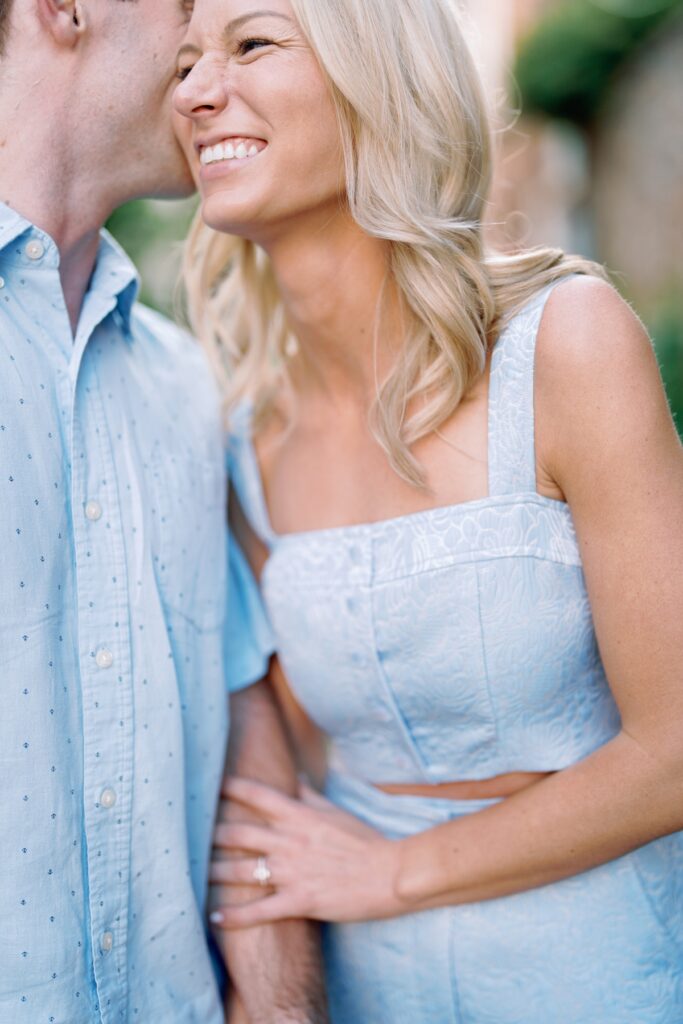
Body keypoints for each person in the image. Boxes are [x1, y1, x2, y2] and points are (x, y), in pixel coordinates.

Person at [174, 0, 683, 1020]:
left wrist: (389, 873)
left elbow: (673, 747)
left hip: (591, 966)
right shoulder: (232, 434)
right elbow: (276, 744)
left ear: (379, 80)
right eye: (182, 63)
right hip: (360, 978)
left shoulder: (564, 346)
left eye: (252, 42)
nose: (193, 91)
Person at [0, 1, 327, 1021]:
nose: (201, 59)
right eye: (183, 14)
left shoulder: (189, 391)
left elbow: (243, 721)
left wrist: (280, 1008)